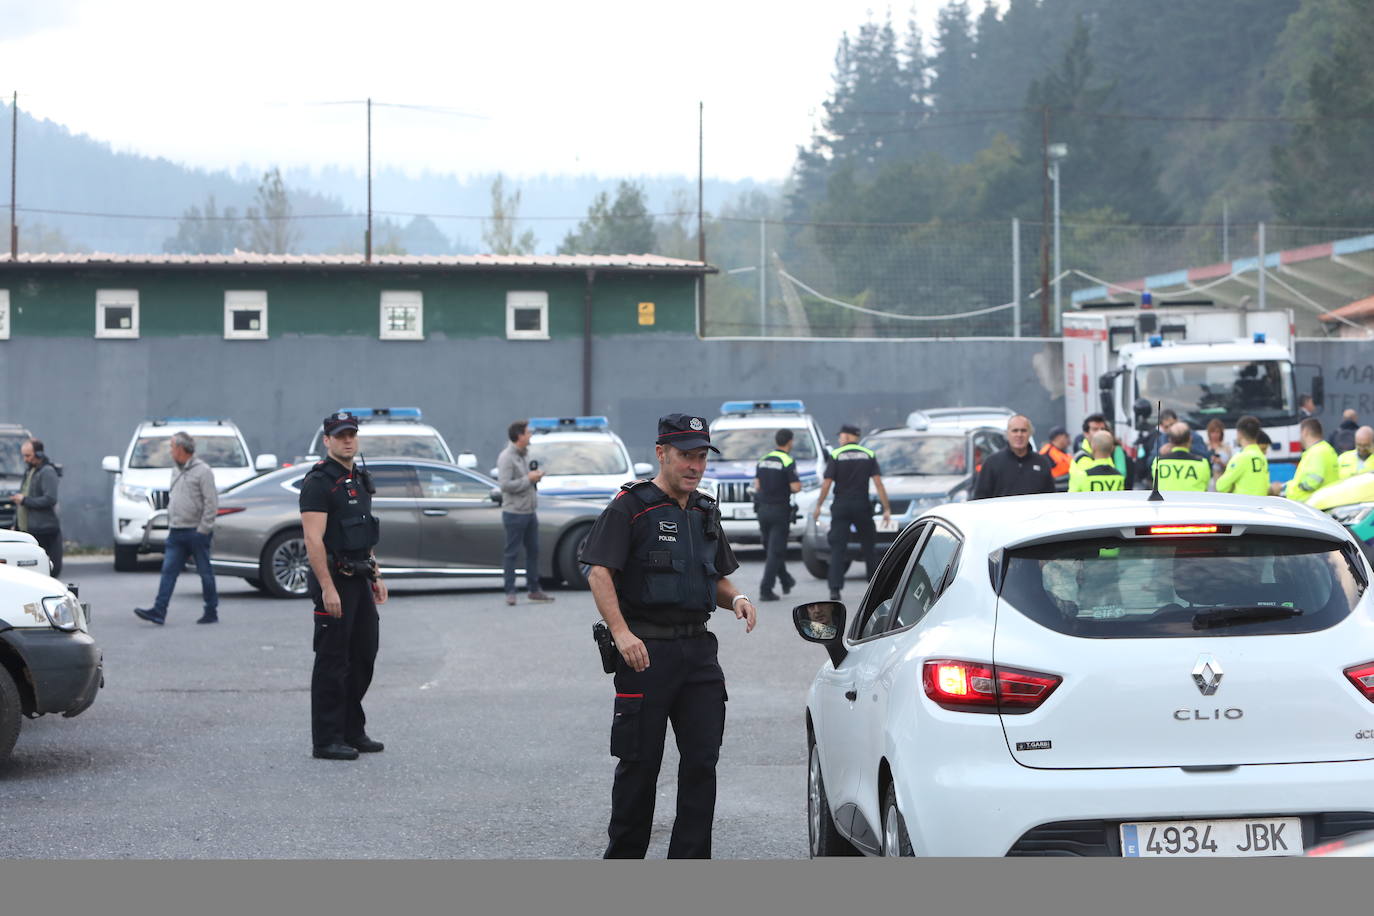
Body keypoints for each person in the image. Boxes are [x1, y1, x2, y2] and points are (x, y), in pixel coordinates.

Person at [579, 412, 756, 859]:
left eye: (701, 457)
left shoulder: (704, 510)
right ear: (662, 454)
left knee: (702, 763)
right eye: (685, 456)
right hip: (645, 652)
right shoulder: (631, 507)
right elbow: (599, 573)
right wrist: (621, 634)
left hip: (698, 653)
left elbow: (713, 578)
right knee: (640, 765)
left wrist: (736, 598)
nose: (695, 466)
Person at [299, 412, 388, 761]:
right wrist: (327, 588)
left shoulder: (359, 477)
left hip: (360, 579)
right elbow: (312, 539)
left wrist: (377, 576)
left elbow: (365, 533)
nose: (347, 440)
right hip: (334, 581)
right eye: (340, 436)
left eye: (351, 434)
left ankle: (353, 729)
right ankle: (326, 739)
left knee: (364, 656)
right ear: (327, 441)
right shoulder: (319, 482)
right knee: (332, 661)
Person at [133, 432, 220, 626]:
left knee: (205, 572)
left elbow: (211, 503)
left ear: (181, 449)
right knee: (168, 573)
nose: (170, 451)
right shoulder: (175, 470)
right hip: (176, 531)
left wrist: (203, 530)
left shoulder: (203, 471)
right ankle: (159, 611)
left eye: (172, 447)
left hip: (196, 531)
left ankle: (211, 610)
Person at [812, 424, 891, 602]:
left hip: (841, 505)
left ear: (849, 436)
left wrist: (819, 505)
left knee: (838, 548)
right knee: (869, 547)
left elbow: (826, 483)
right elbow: (878, 483)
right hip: (862, 505)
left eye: (841, 435)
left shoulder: (836, 455)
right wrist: (886, 508)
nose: (839, 438)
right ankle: (874, 586)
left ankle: (835, 589)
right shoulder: (868, 454)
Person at [496, 420, 554, 607]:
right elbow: (505, 485)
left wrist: (535, 477)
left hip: (530, 511)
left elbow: (526, 481)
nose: (530, 436)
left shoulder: (525, 455)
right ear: (519, 435)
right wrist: (528, 479)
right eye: (528, 433)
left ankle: (534, 589)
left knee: (533, 551)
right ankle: (510, 591)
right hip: (514, 512)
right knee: (511, 553)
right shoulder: (506, 457)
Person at [752, 428, 800, 602]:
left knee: (772, 549)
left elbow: (757, 485)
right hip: (780, 510)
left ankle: (786, 579)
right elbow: (795, 487)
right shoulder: (787, 460)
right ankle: (766, 589)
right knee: (775, 551)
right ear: (790, 441)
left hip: (762, 510)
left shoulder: (764, 459)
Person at [10, 438, 62, 577]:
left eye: (28, 456)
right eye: (24, 456)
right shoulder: (31, 471)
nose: (25, 459)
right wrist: (16, 524)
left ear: (39, 455)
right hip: (27, 528)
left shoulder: (47, 472)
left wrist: (25, 500)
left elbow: (50, 499)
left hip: (43, 530)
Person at [973, 414, 1056, 498]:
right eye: (1015, 431)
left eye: (1023, 431)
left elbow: (1050, 498)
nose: (1019, 435)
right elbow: (980, 498)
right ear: (1007, 433)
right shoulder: (991, 463)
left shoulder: (1042, 463)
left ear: (1030, 433)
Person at [1282, 417, 1340, 502]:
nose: (1299, 437)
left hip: (1310, 504)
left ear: (1305, 432)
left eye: (1300, 433)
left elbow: (1312, 482)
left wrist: (1298, 488)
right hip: (1321, 502)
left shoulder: (1316, 452)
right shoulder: (1325, 449)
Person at [1215, 415, 1269, 496]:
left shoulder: (1240, 457)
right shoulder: (1262, 457)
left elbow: (1220, 486)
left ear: (1239, 434)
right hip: (1260, 505)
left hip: (1244, 506)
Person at [1150, 422, 1210, 492]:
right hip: (1193, 502)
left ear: (1170, 440)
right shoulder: (1202, 463)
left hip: (1167, 503)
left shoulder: (1158, 462)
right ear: (1190, 439)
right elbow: (1205, 488)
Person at [1037, 425, 1073, 491]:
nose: (1068, 439)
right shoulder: (1047, 452)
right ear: (1058, 437)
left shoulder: (1062, 452)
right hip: (1056, 491)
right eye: (1066, 437)